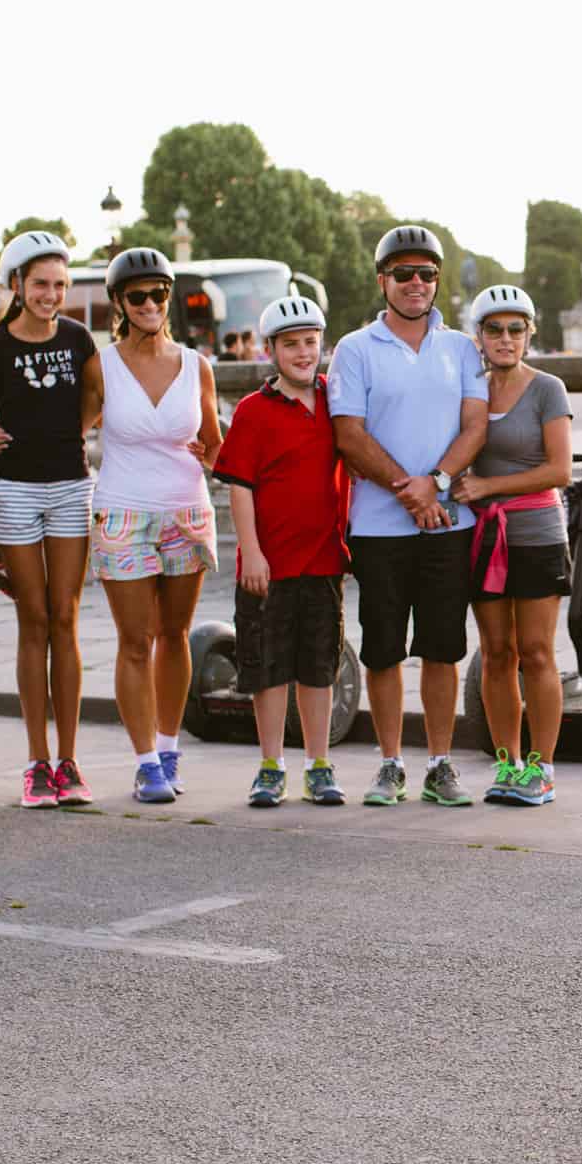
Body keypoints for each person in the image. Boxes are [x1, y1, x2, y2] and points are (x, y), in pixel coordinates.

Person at [328, 225, 487, 807]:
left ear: (437, 280)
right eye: (403, 274)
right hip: (378, 525)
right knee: (384, 648)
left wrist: (437, 484)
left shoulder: (462, 348)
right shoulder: (354, 348)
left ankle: (440, 763)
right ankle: (392, 763)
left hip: (447, 522)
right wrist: (409, 492)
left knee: (444, 647)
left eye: (426, 273)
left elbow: (475, 425)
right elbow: (349, 433)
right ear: (383, 281)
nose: (416, 283)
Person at [86, 247, 222, 803]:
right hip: (122, 511)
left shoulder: (197, 366)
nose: (150, 304)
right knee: (136, 641)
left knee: (174, 636)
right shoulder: (102, 365)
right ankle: (144, 763)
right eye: (137, 295)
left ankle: (168, 749)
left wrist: (219, 461)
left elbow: (215, 446)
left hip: (186, 511)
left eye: (159, 294)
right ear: (119, 301)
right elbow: (68, 434)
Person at [0, 231, 98, 809]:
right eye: (41, 284)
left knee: (67, 618)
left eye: (60, 285)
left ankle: (68, 761)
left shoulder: (77, 337)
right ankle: (35, 762)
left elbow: (95, 394)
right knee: (35, 619)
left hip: (70, 486)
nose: (51, 294)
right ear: (16, 285)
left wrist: (77, 429)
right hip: (15, 490)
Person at [212, 294, 350, 807]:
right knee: (267, 668)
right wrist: (251, 552)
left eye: (310, 343)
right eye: (290, 345)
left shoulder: (337, 401)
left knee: (318, 666)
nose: (302, 353)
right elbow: (239, 485)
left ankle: (319, 763)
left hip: (323, 558)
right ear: (270, 350)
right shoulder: (253, 412)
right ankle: (271, 764)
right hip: (267, 565)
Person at [450, 286, 572, 806]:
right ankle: (508, 764)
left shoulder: (548, 388)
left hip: (538, 532)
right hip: (485, 539)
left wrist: (487, 487)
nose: (505, 338)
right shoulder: (467, 389)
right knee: (496, 653)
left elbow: (560, 470)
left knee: (537, 652)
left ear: (530, 333)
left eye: (515, 328)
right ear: (477, 336)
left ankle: (542, 769)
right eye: (494, 329)